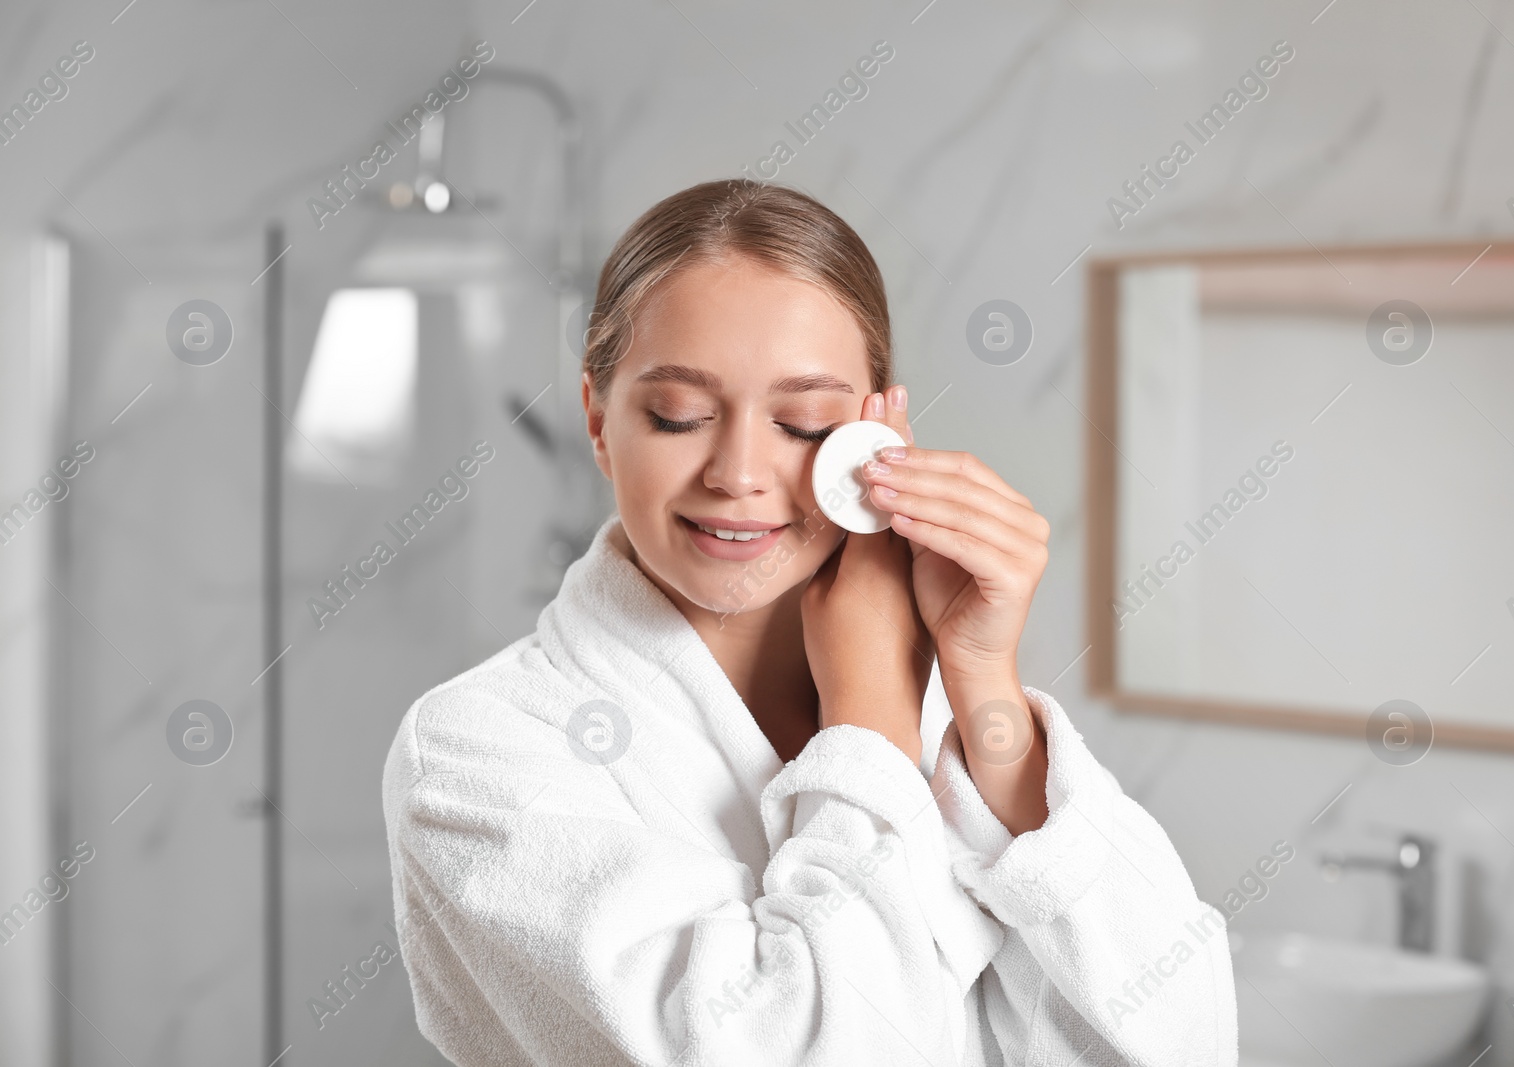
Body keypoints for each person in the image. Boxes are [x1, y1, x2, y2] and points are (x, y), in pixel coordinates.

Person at [381, 178, 1238, 1066]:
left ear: (873, 440)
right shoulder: (473, 751)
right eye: (679, 416)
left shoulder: (945, 716)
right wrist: (867, 719)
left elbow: (1179, 1039)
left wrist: (985, 686)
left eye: (802, 423)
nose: (740, 471)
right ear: (599, 421)